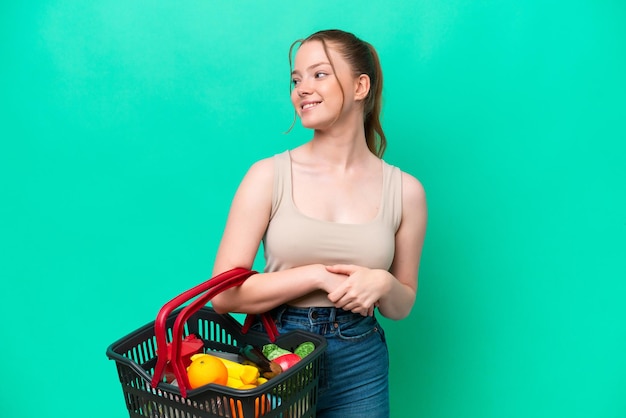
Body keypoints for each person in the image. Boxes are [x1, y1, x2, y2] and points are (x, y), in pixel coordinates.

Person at [211, 29, 427, 417]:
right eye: (296, 79)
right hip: (271, 353)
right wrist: (315, 275)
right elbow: (224, 295)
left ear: (361, 86)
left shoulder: (405, 191)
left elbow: (401, 304)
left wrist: (384, 283)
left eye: (319, 74)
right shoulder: (268, 176)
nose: (302, 89)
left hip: (360, 357)